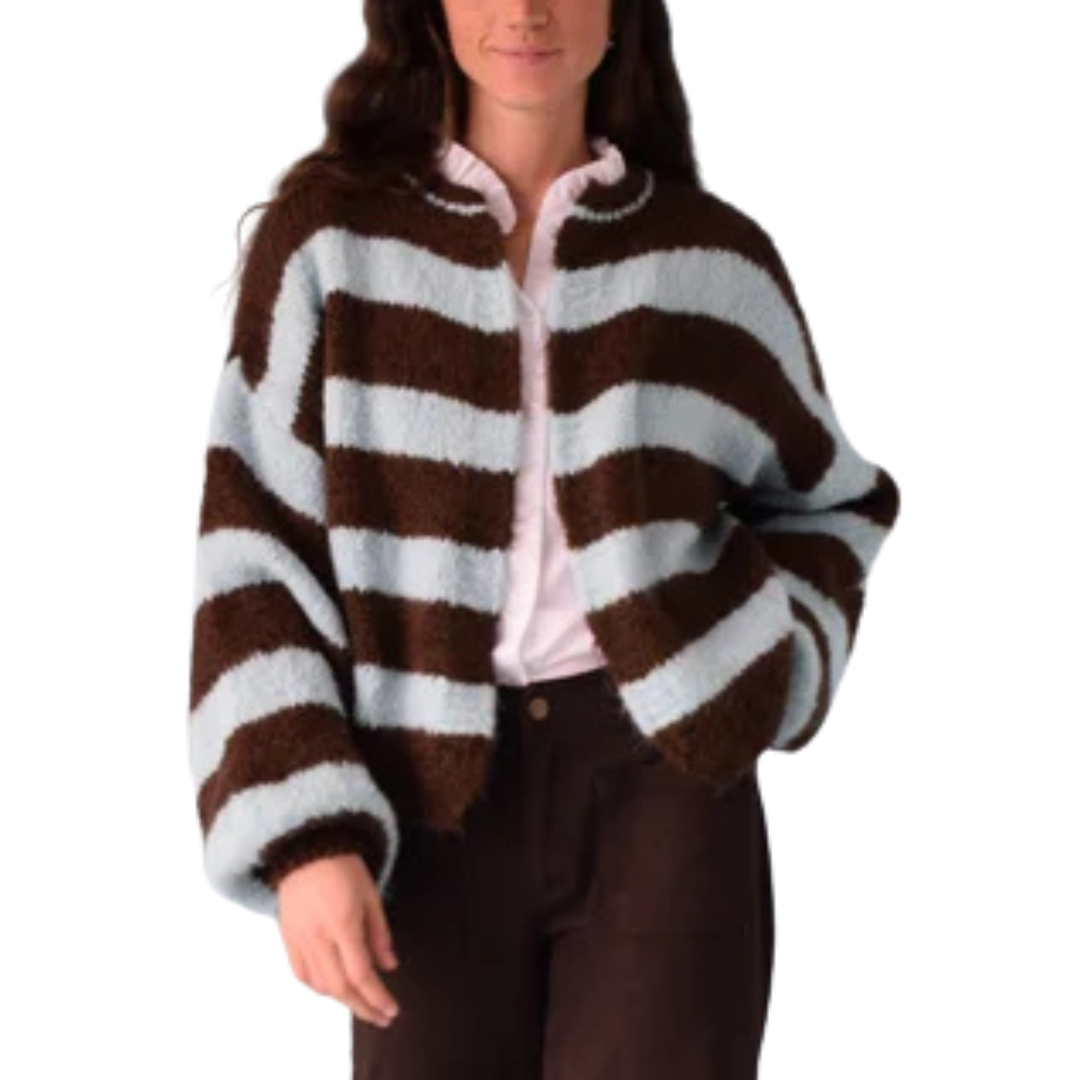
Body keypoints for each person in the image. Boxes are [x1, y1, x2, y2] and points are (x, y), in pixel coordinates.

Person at [186, 1, 902, 1077]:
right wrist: (304, 833)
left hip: (663, 795)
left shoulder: (711, 261)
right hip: (417, 804)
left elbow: (830, 503)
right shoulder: (330, 246)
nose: (525, 10)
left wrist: (762, 670)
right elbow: (254, 552)